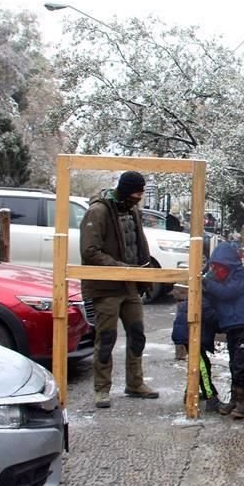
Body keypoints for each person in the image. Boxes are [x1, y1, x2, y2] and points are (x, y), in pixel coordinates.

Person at [80, 170, 160, 409]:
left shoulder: (133, 210)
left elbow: (139, 244)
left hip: (131, 286)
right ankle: (101, 389)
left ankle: (135, 383)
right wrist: (121, 268)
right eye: (136, 192)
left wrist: (143, 277)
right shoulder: (98, 212)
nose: (139, 197)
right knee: (106, 338)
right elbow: (90, 251)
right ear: (125, 191)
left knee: (137, 334)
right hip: (106, 287)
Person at [202, 241, 244, 419]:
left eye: (220, 267)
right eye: (214, 268)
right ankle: (236, 399)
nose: (216, 271)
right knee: (234, 364)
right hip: (232, 327)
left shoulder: (241, 275)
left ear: (229, 265)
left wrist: (207, 282)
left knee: (239, 365)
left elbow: (228, 292)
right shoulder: (219, 278)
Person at [171, 293, 221, 412]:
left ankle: (189, 392)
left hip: (188, 334)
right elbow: (214, 319)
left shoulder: (198, 295)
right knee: (202, 366)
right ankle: (211, 397)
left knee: (198, 364)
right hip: (191, 336)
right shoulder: (204, 300)